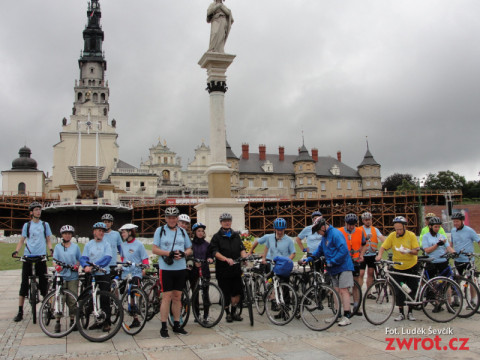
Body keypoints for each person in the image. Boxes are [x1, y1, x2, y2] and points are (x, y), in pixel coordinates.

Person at [301, 217, 355, 326]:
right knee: (336, 290)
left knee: (344, 290)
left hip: (343, 266)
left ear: (323, 227)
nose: (318, 233)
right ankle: (338, 315)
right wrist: (309, 259)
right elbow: (319, 250)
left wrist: (332, 261)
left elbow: (343, 250)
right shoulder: (324, 236)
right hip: (333, 268)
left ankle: (347, 315)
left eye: (318, 231)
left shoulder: (335, 234)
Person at [152, 207, 192, 338]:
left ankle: (176, 325)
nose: (172, 219)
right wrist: (168, 253)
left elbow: (189, 248)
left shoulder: (182, 231)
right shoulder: (160, 230)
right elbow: (154, 249)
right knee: (166, 297)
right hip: (166, 268)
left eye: (174, 217)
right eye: (169, 217)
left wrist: (184, 253)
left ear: (177, 218)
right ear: (165, 218)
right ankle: (164, 327)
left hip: (180, 267)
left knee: (177, 297)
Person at [12, 202, 53, 322]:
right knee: (24, 283)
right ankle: (20, 311)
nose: (38, 211)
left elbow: (48, 240)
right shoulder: (27, 225)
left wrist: (50, 249)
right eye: (36, 210)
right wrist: (16, 251)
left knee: (44, 283)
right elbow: (22, 240)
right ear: (31, 212)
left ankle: (47, 309)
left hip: (41, 256)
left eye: (39, 209)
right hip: (28, 255)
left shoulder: (45, 225)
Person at [376, 216, 420, 321]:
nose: (398, 231)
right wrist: (380, 255)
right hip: (397, 266)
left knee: (411, 289)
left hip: (411, 266)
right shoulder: (392, 236)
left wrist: (408, 251)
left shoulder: (411, 235)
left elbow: (416, 250)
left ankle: (410, 312)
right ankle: (401, 312)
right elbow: (383, 246)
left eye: (400, 229)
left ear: (404, 227)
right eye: (396, 229)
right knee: (399, 290)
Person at [210, 213, 247, 323]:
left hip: (235, 268)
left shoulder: (236, 235)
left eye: (229, 220)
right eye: (225, 221)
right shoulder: (217, 237)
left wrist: (244, 257)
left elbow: (242, 248)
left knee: (237, 292)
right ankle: (227, 313)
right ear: (221, 222)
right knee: (225, 293)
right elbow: (215, 252)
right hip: (223, 269)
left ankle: (234, 310)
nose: (227, 222)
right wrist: (225, 259)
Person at [80, 222, 114, 332]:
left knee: (104, 298)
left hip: (103, 274)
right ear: (94, 231)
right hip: (92, 275)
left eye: (103, 231)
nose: (101, 233)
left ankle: (106, 322)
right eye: (99, 230)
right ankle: (97, 320)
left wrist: (95, 265)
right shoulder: (88, 244)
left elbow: (107, 258)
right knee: (92, 298)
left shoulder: (106, 244)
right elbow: (83, 257)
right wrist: (85, 265)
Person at [119, 223, 149, 328]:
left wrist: (145, 268)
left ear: (130, 232)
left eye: (123, 232)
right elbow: (123, 258)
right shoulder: (122, 245)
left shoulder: (139, 244)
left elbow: (145, 258)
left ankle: (136, 316)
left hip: (136, 272)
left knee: (133, 292)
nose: (122, 234)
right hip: (126, 273)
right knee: (122, 293)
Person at [52, 225, 81, 332]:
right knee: (60, 298)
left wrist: (77, 265)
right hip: (61, 275)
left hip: (72, 275)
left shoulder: (75, 247)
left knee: (72, 299)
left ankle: (73, 320)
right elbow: (54, 260)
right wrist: (56, 266)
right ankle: (58, 321)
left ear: (71, 235)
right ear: (62, 235)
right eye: (65, 233)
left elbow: (79, 259)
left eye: (69, 233)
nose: (67, 235)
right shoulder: (58, 247)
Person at [337, 213, 367, 315]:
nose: (351, 226)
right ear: (345, 223)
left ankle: (356, 306)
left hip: (355, 262)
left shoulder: (360, 231)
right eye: (349, 224)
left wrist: (361, 255)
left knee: (355, 284)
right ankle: (343, 308)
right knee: (343, 286)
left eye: (353, 224)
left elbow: (364, 245)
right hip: (343, 262)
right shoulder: (339, 232)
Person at [189, 222, 214, 323]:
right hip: (194, 271)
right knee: (195, 293)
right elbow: (189, 255)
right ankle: (196, 314)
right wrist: (193, 262)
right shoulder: (191, 244)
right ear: (194, 232)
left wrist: (210, 259)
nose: (200, 233)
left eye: (202, 231)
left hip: (204, 270)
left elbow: (210, 255)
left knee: (205, 293)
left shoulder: (207, 244)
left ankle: (206, 315)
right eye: (198, 231)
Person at [359, 212, 385, 297]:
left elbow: (382, 238)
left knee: (370, 273)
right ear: (363, 221)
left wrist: (386, 242)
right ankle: (358, 291)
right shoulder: (359, 229)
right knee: (361, 273)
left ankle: (369, 292)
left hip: (372, 254)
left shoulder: (375, 229)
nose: (368, 221)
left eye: (369, 220)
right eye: (366, 220)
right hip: (362, 255)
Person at [451, 212, 480, 277]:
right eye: (454, 221)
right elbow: (451, 243)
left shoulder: (470, 230)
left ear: (462, 221)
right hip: (457, 259)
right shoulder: (453, 231)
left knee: (471, 279)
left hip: (468, 260)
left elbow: (478, 241)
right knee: (456, 279)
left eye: (457, 221)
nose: (455, 223)